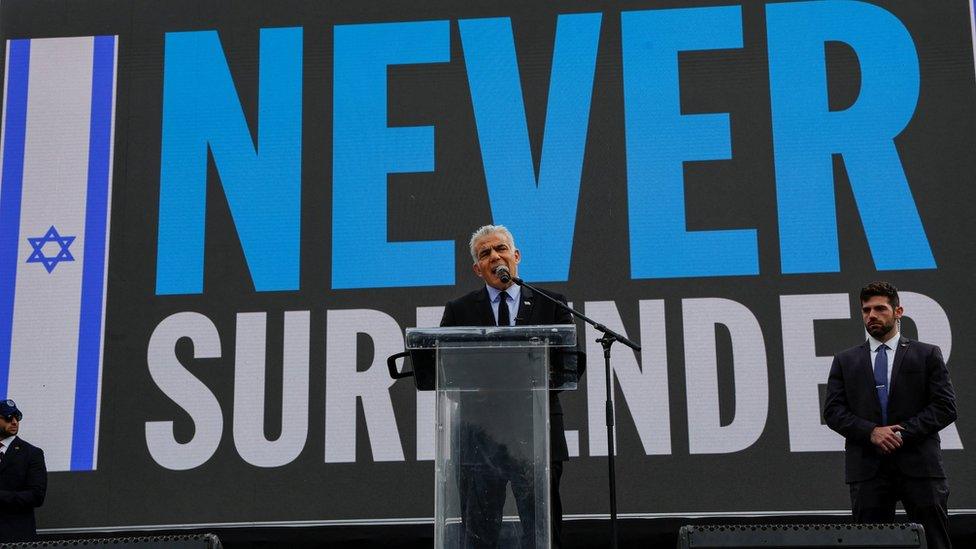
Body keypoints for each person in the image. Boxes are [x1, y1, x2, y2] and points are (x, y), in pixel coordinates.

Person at [440, 225, 577, 548]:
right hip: (479, 437)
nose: (495, 256)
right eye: (485, 253)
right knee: (479, 532)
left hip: (535, 431)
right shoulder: (459, 310)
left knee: (542, 529)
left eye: (500, 249)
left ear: (515, 256)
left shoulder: (551, 304)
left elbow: (569, 364)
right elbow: (445, 368)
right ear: (477, 269)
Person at [824, 282, 957, 549]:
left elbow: (945, 407)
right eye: (865, 310)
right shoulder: (845, 360)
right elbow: (833, 412)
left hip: (920, 467)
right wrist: (871, 432)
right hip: (868, 470)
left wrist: (900, 433)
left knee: (935, 542)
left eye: (879, 308)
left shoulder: (927, 354)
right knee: (870, 544)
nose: (871, 315)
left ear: (898, 311)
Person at [0, 399, 47, 542]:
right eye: (8, 418)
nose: (14, 422)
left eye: (17, 417)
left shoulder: (32, 454)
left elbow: (36, 495)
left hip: (16, 538)